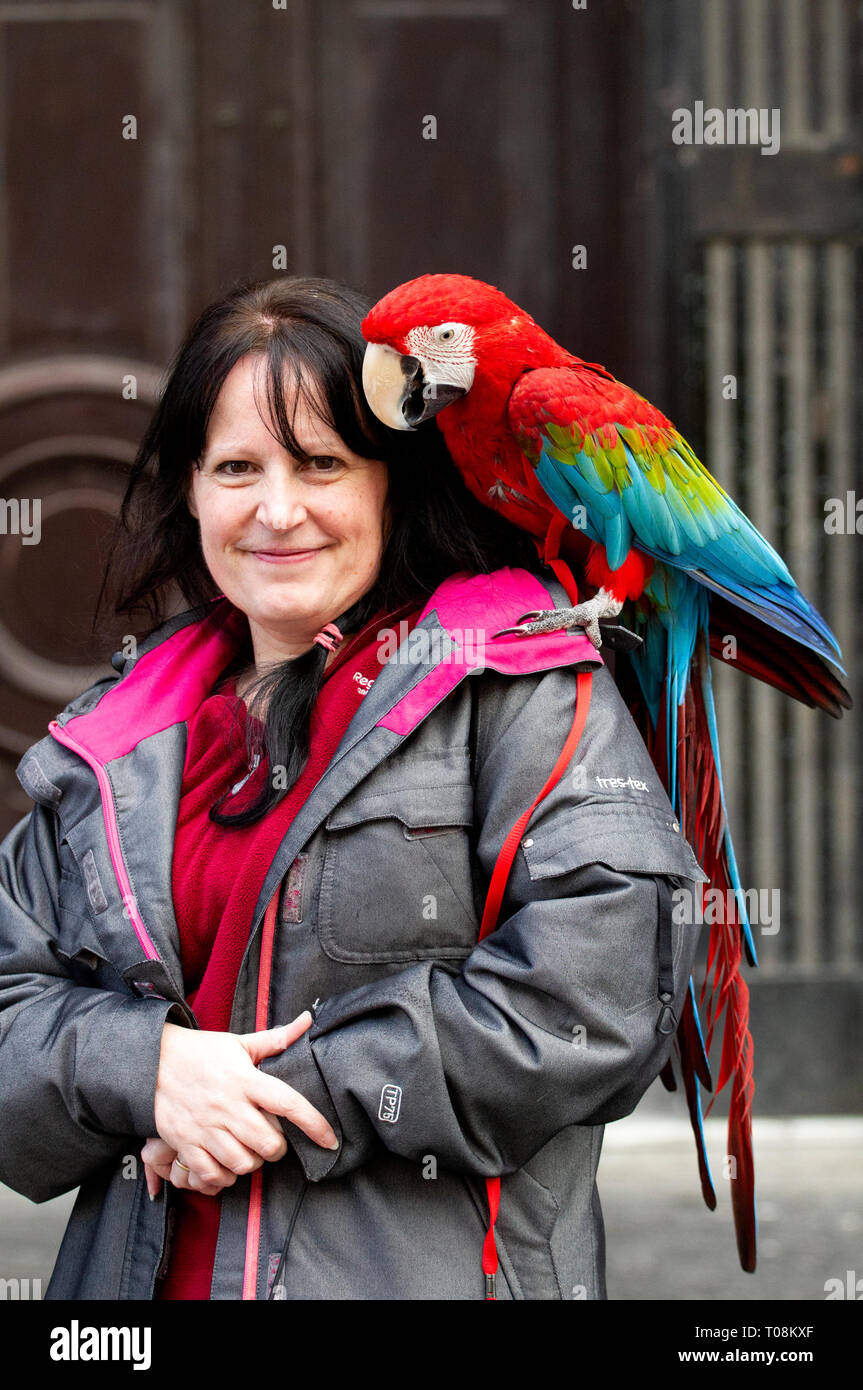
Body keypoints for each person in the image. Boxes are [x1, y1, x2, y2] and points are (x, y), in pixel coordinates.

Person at [0, 275, 708, 1301]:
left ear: (391, 484)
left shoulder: (514, 682)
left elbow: (593, 997)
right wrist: (142, 1069)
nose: (275, 510)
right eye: (236, 467)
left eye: (321, 464)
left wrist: (262, 1095)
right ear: (191, 490)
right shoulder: (114, 740)